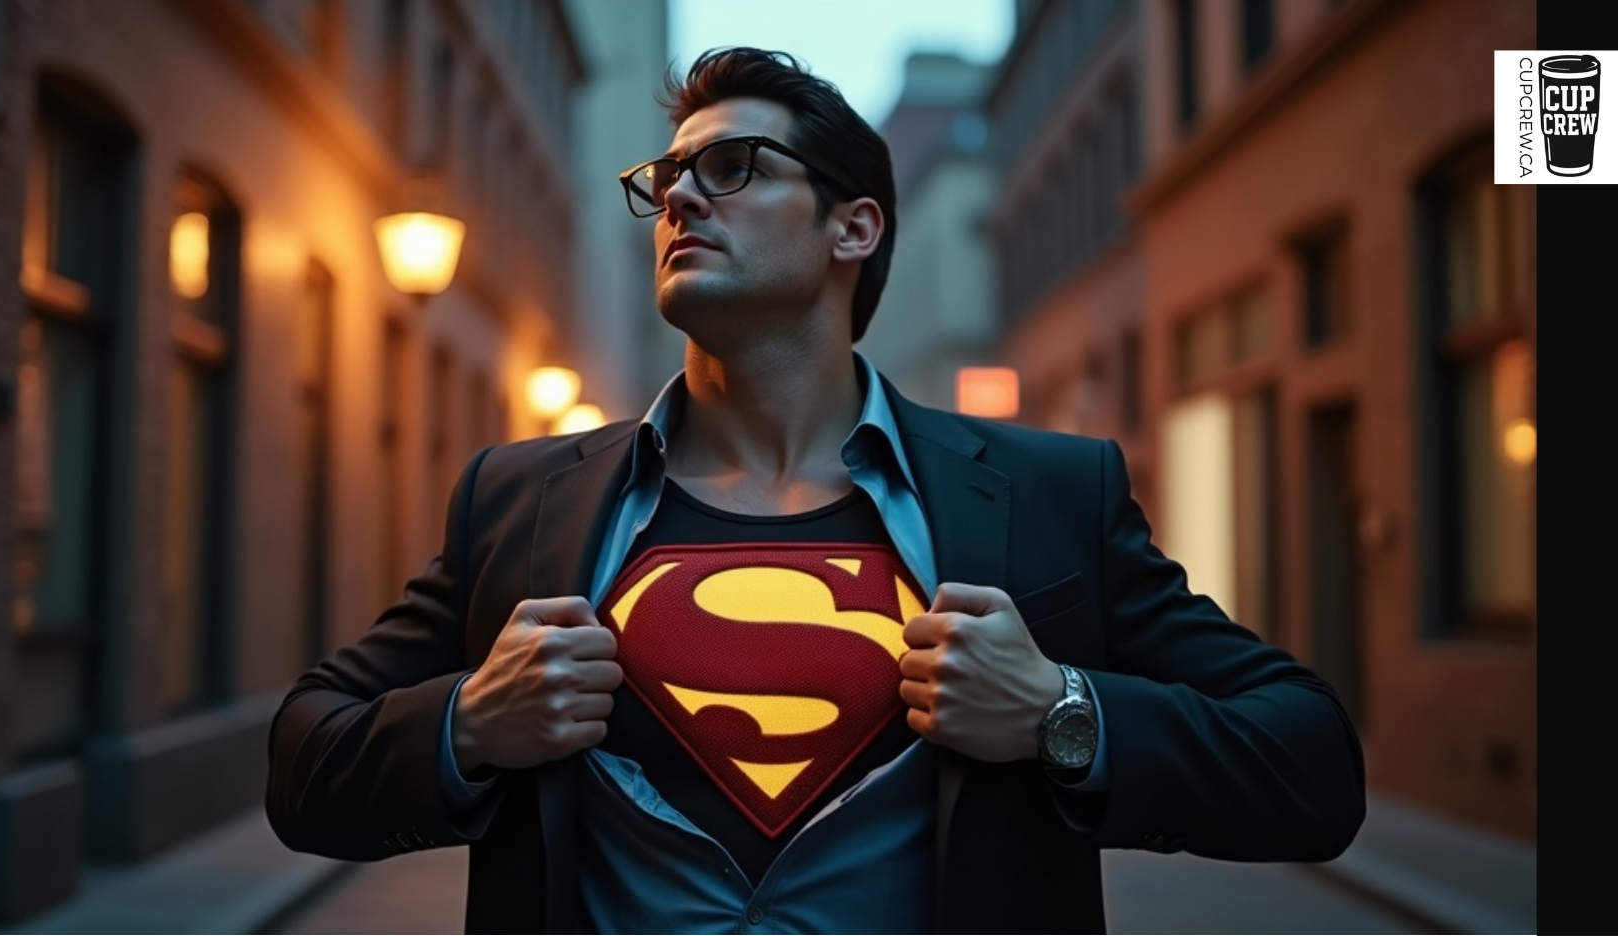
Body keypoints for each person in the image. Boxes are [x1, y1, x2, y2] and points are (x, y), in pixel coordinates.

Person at [266, 46, 1365, 933]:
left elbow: (1311, 770)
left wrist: (1058, 714)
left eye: (734, 165)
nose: (681, 196)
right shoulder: (521, 499)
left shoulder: (1046, 495)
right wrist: (466, 724)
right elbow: (305, 761)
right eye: (667, 177)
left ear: (855, 226)